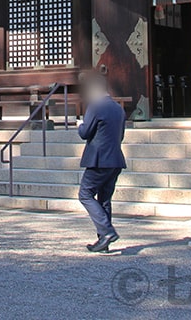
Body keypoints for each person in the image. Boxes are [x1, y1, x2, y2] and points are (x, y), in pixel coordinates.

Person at [77, 72, 127, 253]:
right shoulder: (118, 108)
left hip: (99, 159)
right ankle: (103, 241)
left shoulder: (95, 107)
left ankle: (106, 232)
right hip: (115, 158)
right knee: (104, 198)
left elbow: (85, 133)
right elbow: (121, 135)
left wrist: (80, 126)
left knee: (85, 194)